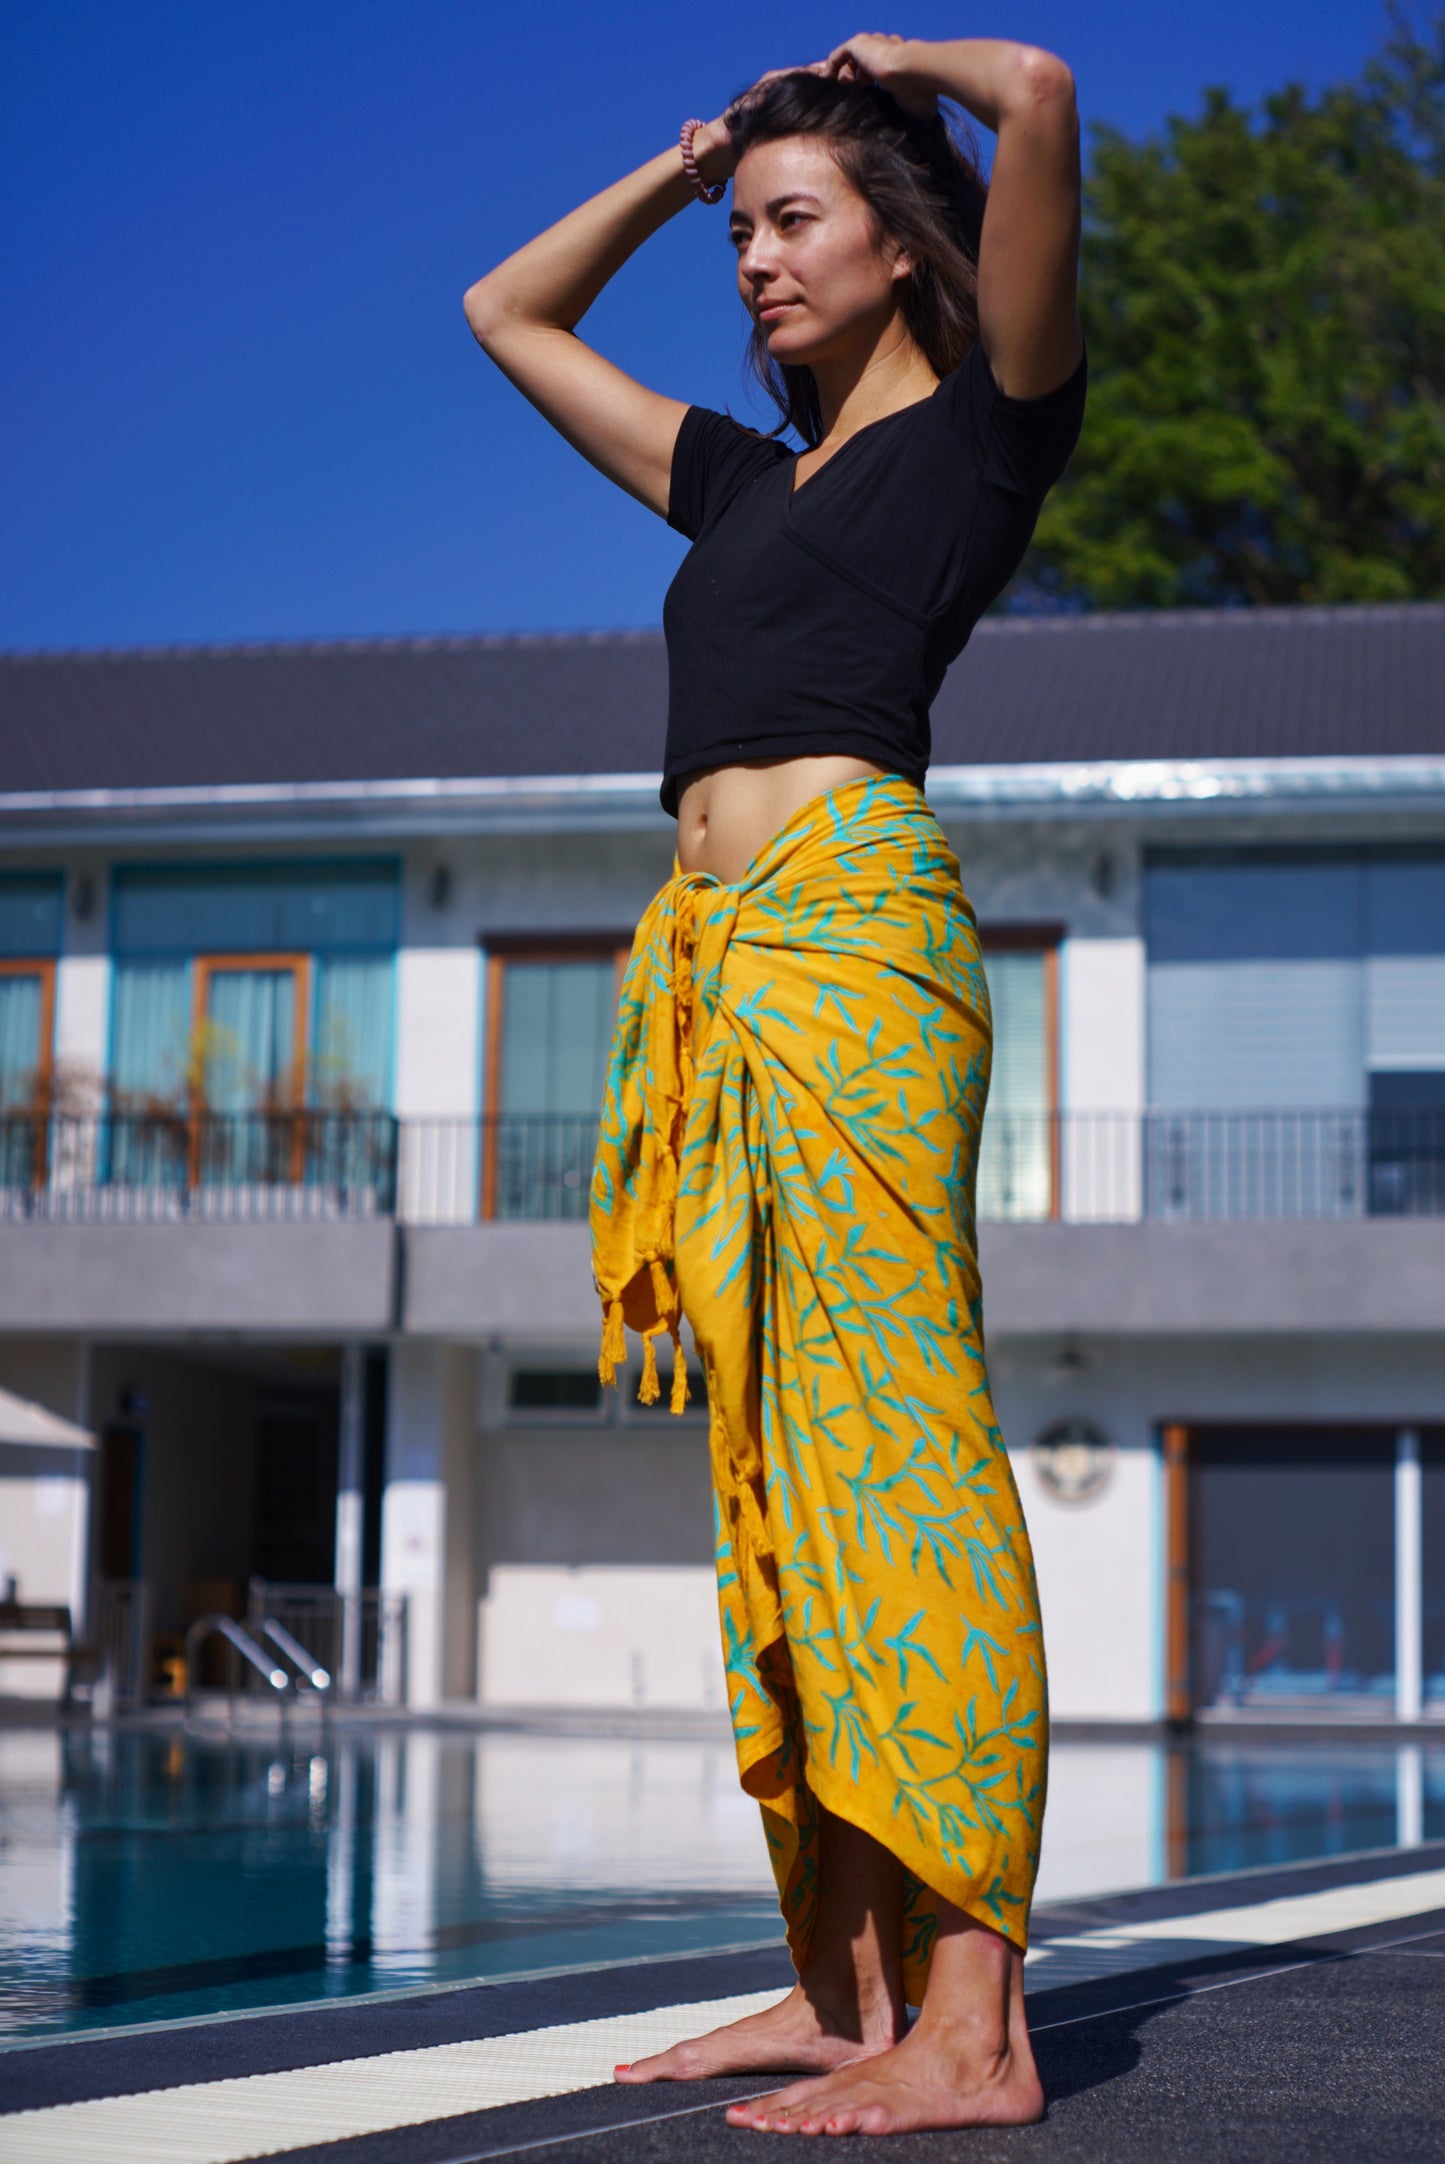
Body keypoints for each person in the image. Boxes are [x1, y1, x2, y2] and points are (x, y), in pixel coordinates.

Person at [464, 31, 1084, 2138]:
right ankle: (846, 1984)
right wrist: (693, 156)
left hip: (854, 957)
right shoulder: (741, 479)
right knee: (777, 1481)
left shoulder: (993, 428)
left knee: (902, 1454)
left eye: (791, 222)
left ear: (904, 252)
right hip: (716, 983)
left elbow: (1049, 100)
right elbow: (507, 314)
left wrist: (908, 65)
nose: (751, 261)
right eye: (739, 236)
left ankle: (974, 2018)